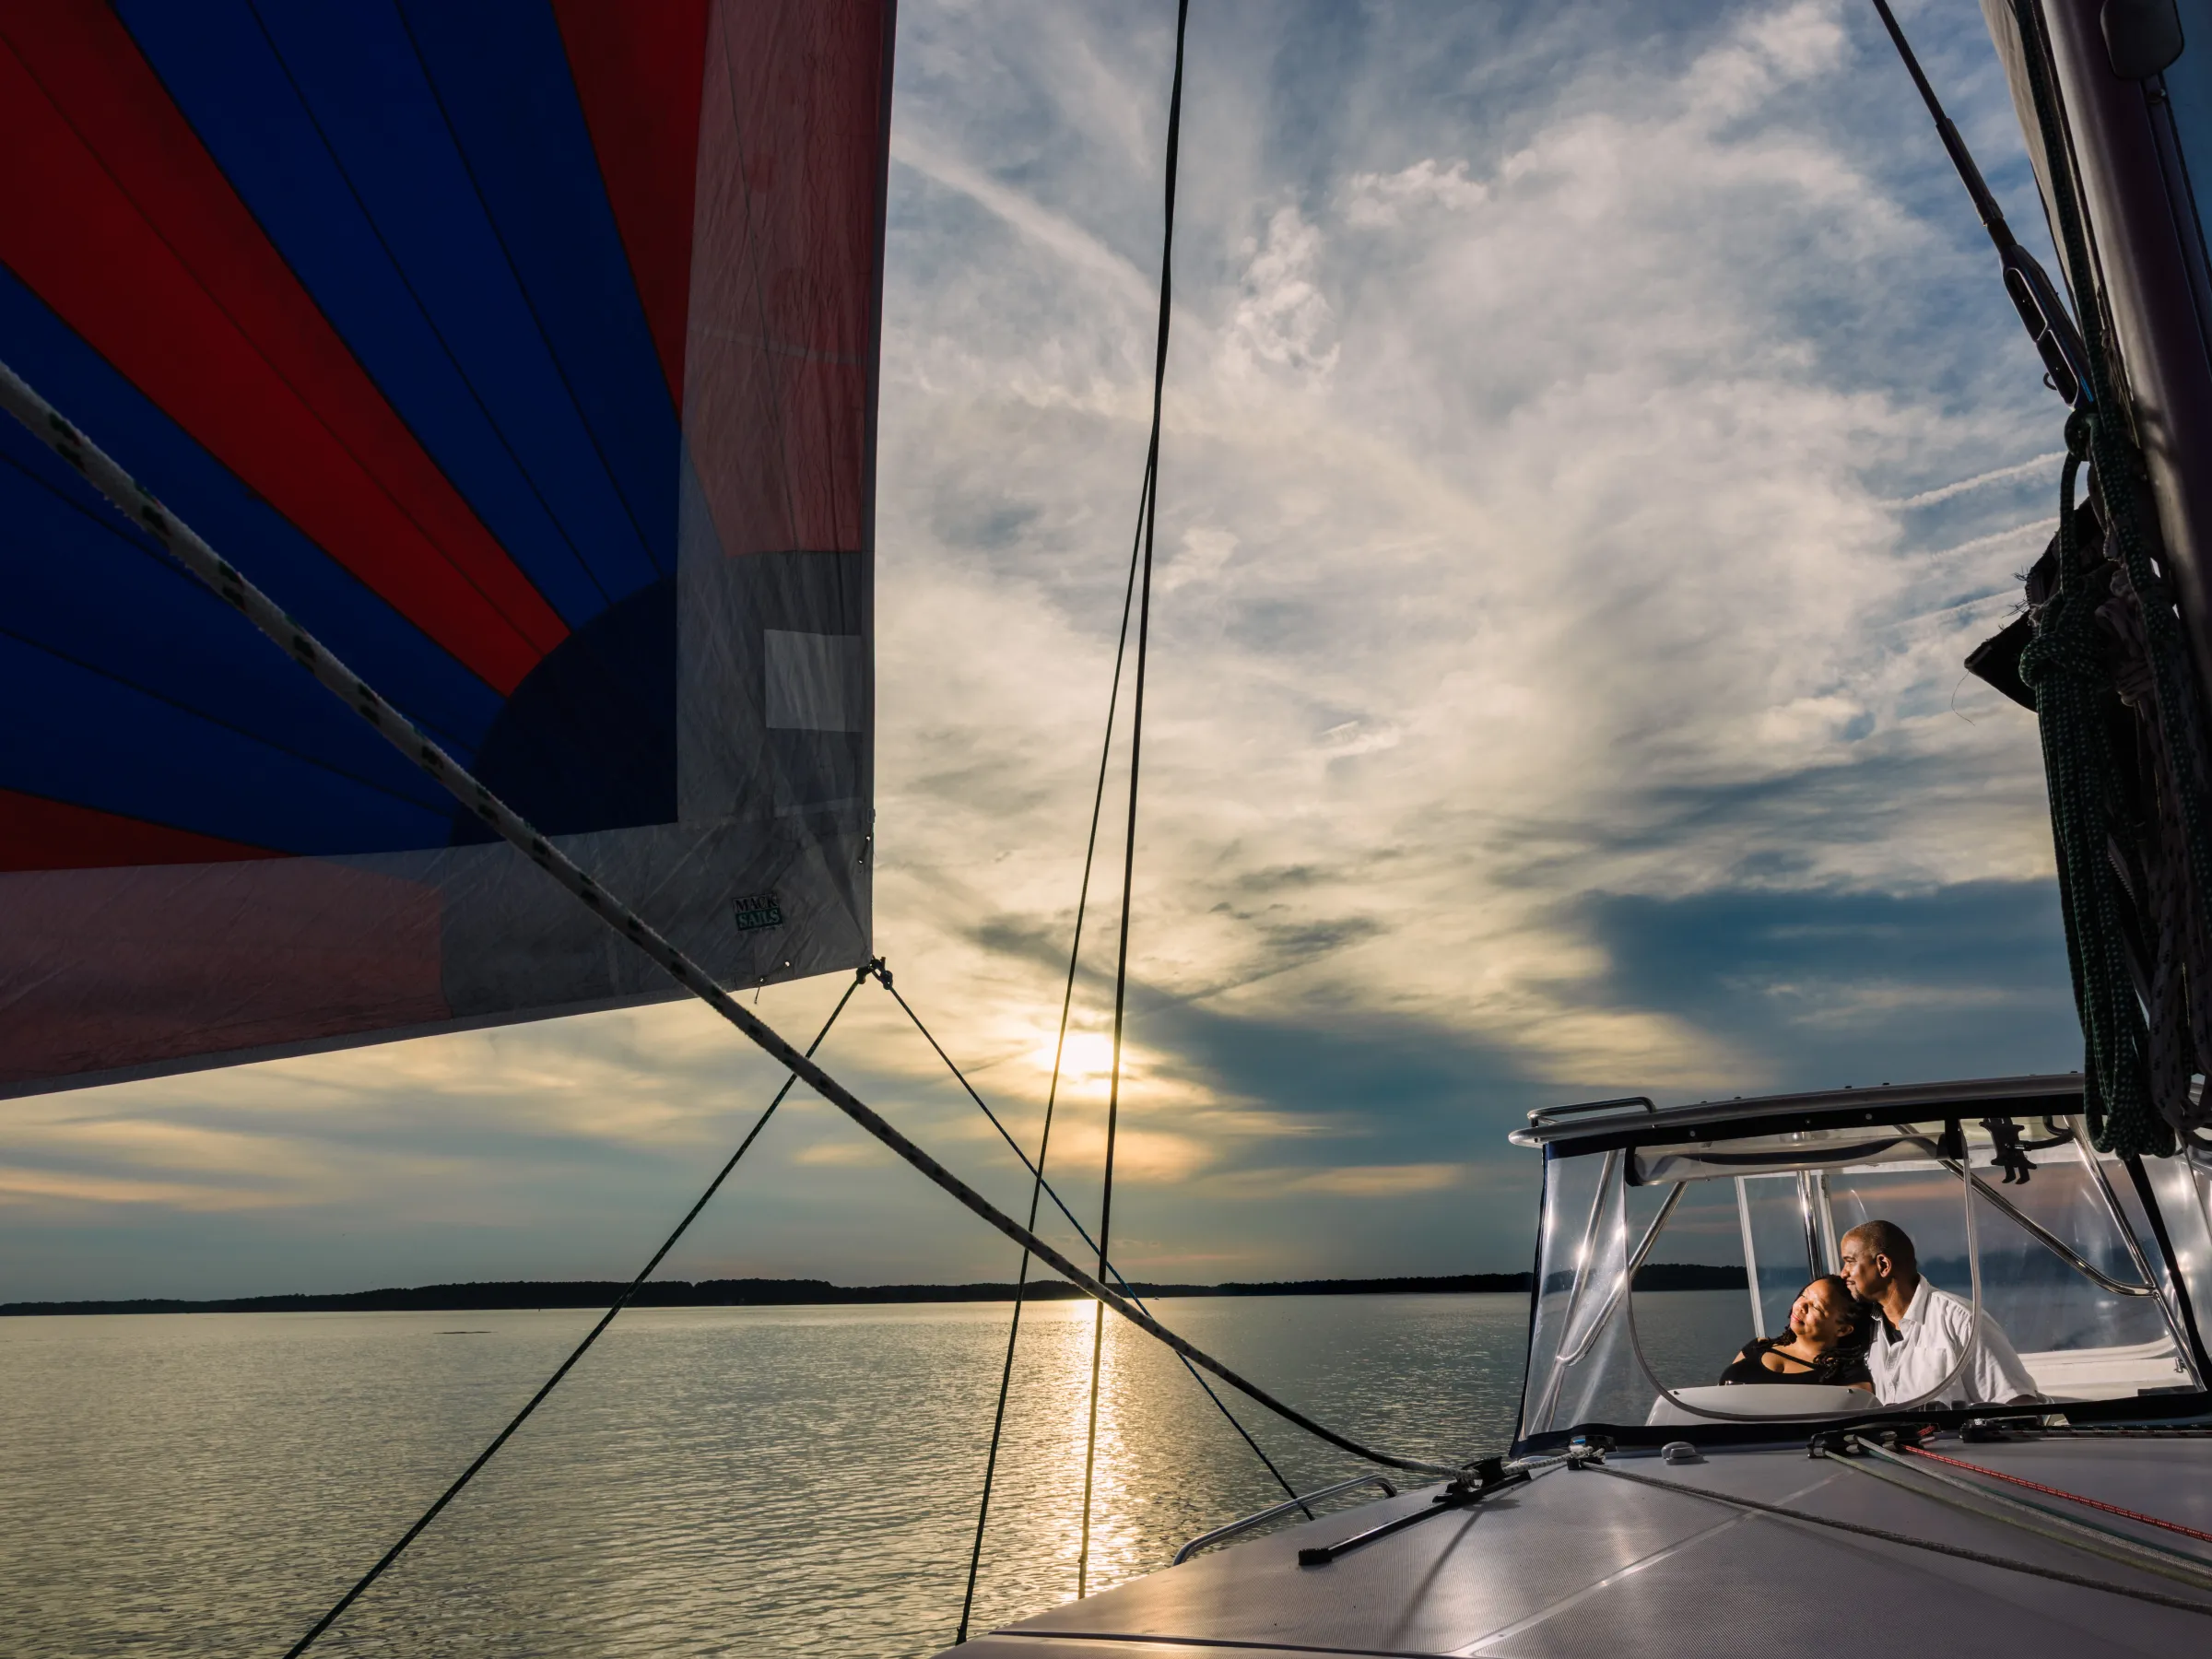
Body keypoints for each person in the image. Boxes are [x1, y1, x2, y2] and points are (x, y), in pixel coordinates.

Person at [1839, 1218, 2039, 1406]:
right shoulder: (1863, 1326)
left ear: (1883, 1265)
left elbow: (2017, 1403)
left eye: (1849, 1261)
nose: (1843, 1273)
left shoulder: (1961, 1319)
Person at [1718, 1275, 1873, 1389]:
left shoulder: (1848, 1375)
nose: (1801, 1306)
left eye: (1817, 1307)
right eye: (1804, 1295)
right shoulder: (1758, 1346)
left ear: (1843, 1329)